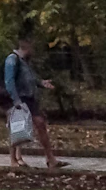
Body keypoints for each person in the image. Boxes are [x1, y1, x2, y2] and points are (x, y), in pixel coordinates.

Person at [4, 33, 62, 169]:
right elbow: (9, 81)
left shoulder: (25, 61)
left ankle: (50, 158)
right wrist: (16, 100)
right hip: (18, 99)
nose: (34, 50)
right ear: (26, 46)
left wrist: (41, 83)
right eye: (32, 46)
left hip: (29, 98)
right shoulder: (12, 60)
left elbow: (30, 79)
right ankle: (13, 160)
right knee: (16, 127)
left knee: (40, 124)